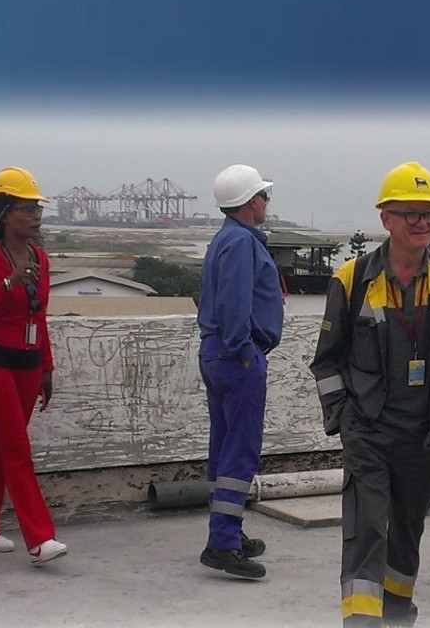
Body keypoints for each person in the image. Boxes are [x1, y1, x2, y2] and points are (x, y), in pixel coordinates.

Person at [311, 162, 430, 628]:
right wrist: (344, 419)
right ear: (386, 217)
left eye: (429, 213)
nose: (422, 222)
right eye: (411, 213)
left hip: (426, 435)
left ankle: (398, 609)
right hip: (369, 432)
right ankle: (361, 618)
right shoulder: (352, 280)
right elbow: (326, 362)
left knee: (408, 529)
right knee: (366, 526)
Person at [0, 166, 66, 565]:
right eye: (27, 209)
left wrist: (46, 368)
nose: (36, 216)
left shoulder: (40, 258)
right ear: (5, 214)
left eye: (38, 209)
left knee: (3, 449)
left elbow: (40, 317)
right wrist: (10, 282)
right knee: (18, 449)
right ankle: (40, 538)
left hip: (28, 364)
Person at [195, 164, 281, 579]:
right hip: (235, 357)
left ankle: (227, 529)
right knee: (241, 448)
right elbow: (234, 302)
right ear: (251, 201)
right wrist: (246, 351)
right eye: (264, 195)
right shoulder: (242, 242)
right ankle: (223, 541)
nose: (266, 202)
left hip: (218, 353)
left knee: (224, 446)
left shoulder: (225, 239)